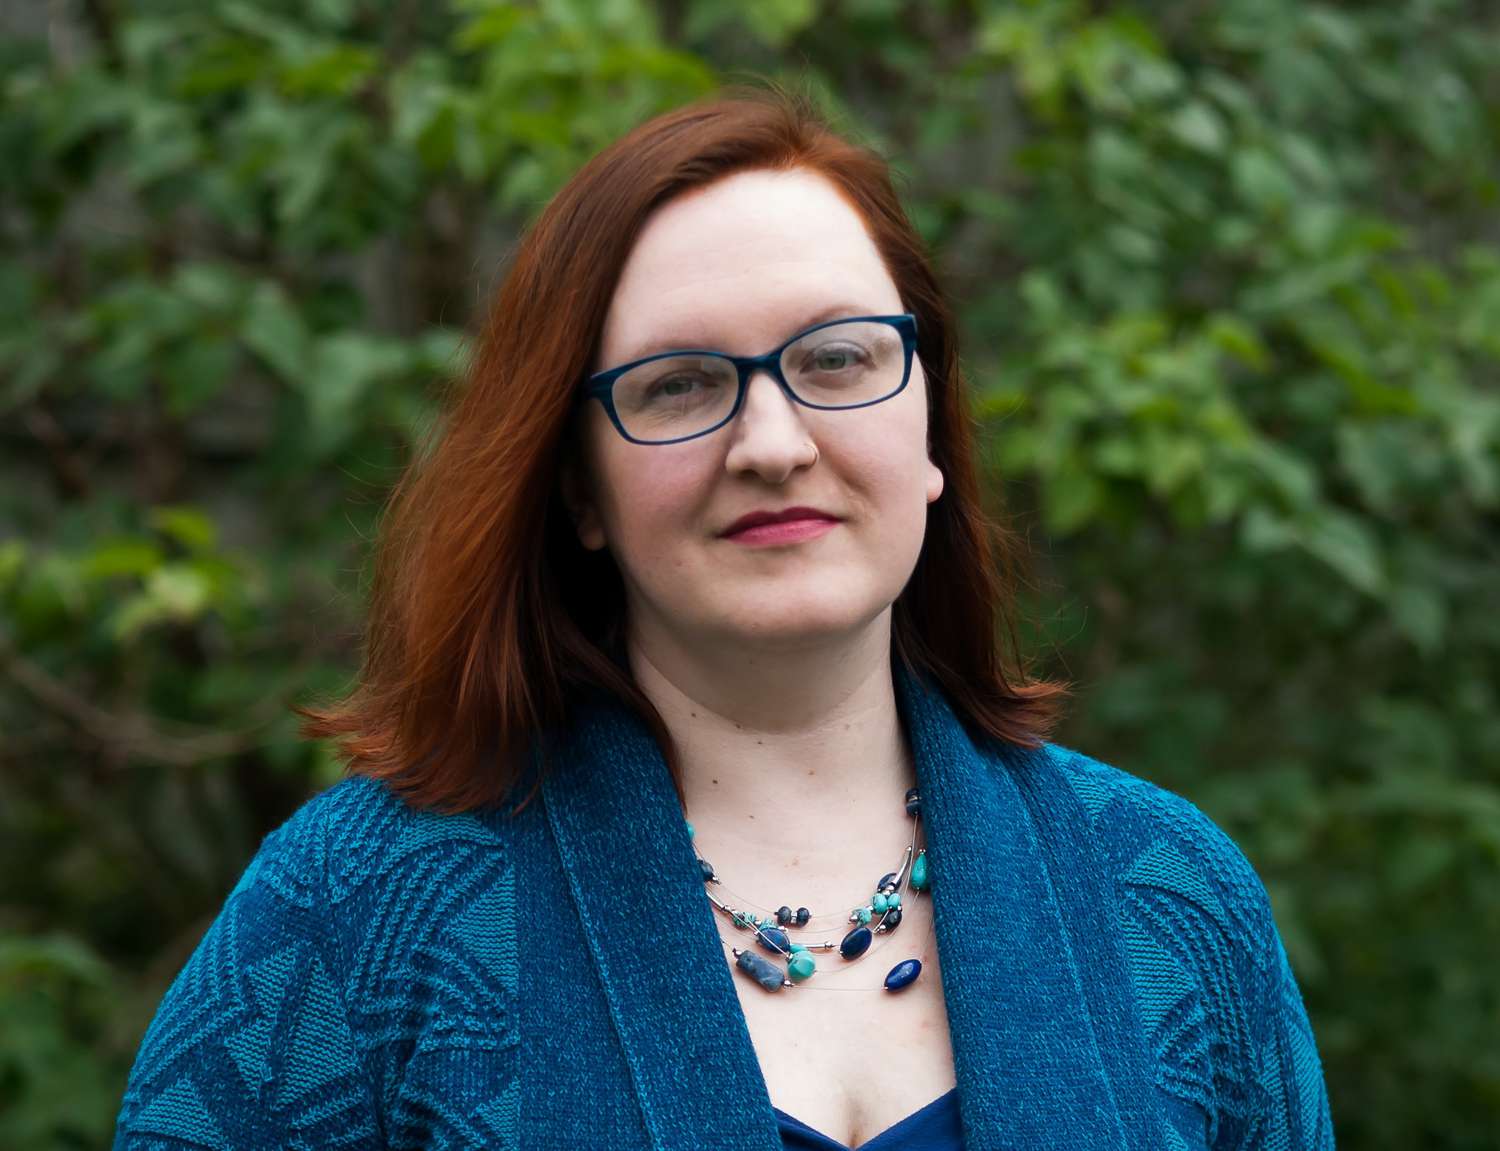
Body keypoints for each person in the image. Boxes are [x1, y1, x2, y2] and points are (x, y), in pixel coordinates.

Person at [111, 85, 1336, 1151]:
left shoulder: (1169, 892)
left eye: (840, 359)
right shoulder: (358, 908)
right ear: (579, 486)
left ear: (928, 425)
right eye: (680, 383)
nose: (773, 443)